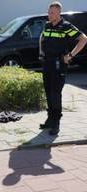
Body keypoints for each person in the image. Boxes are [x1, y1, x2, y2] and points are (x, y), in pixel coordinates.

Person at [39, 1, 87, 135]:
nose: (49, 15)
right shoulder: (47, 25)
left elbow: (83, 39)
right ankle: (50, 120)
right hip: (47, 63)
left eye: (52, 12)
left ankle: (56, 123)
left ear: (59, 12)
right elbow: (42, 37)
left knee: (56, 94)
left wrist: (71, 54)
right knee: (48, 92)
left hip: (59, 65)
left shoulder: (66, 26)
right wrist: (41, 53)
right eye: (48, 12)